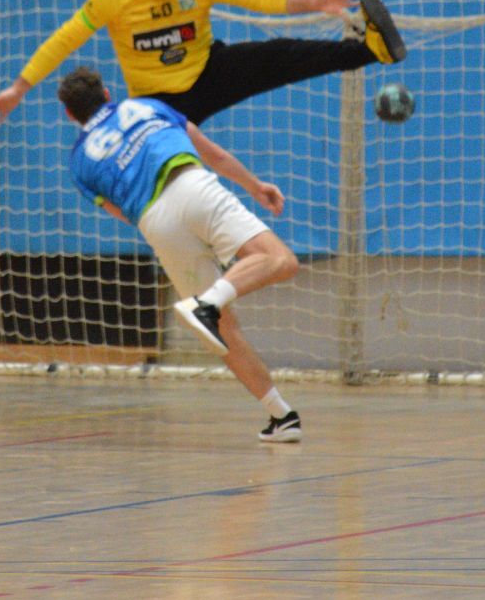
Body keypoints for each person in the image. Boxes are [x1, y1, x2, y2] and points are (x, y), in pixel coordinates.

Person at [58, 66, 304, 441]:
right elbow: (214, 154)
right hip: (190, 185)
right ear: (108, 94)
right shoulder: (145, 107)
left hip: (153, 221)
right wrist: (255, 187)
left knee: (221, 330)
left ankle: (281, 417)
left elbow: (122, 213)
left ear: (70, 115)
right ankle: (208, 303)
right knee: (280, 259)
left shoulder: (78, 163)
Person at [0, 0, 407, 126]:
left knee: (282, 55)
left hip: (207, 72)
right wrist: (20, 87)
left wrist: (314, 2)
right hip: (157, 102)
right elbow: (67, 37)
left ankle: (371, 50)